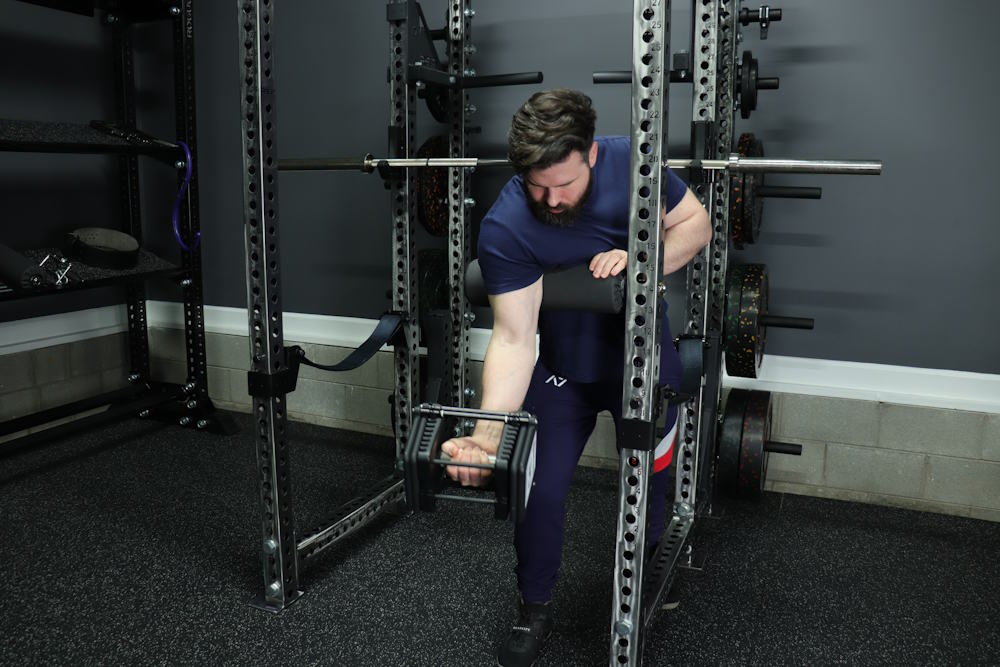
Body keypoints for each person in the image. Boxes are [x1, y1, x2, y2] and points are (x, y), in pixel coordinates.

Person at [440, 89, 711, 667]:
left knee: (651, 476)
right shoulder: (507, 226)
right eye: (538, 186)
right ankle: (534, 604)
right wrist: (486, 436)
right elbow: (514, 340)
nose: (553, 200)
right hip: (564, 367)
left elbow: (695, 222)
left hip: (640, 359)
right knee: (537, 489)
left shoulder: (634, 168)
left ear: (590, 155)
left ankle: (646, 581)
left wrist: (643, 261)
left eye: (564, 184)